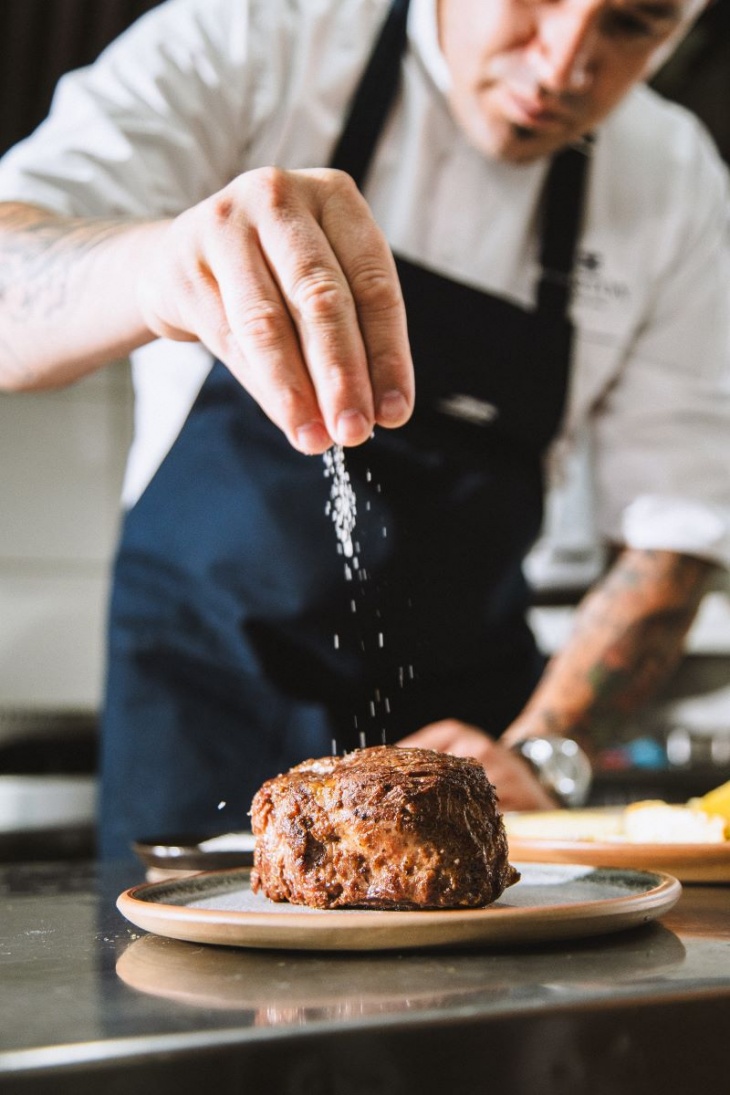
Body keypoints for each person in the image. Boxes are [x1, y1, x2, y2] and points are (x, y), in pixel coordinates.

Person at [0, 0, 727, 859]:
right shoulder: (252, 39)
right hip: (200, 714)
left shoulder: (674, 180)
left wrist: (543, 750)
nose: (567, 63)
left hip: (466, 754)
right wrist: (157, 266)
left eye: (634, 24)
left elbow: (672, 534)